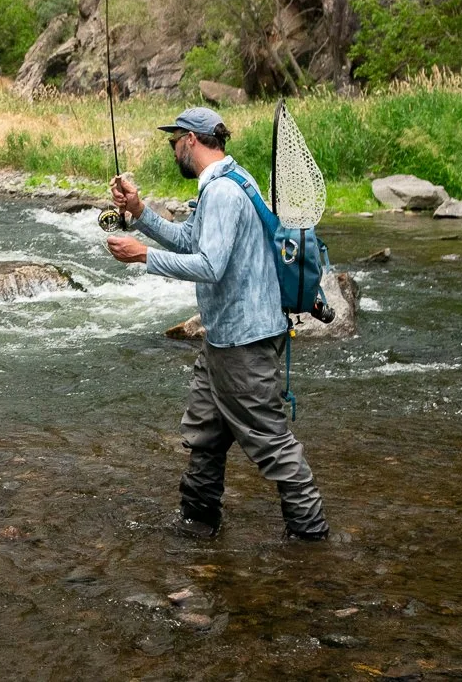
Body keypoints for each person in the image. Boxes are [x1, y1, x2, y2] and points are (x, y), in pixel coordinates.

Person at [104, 106, 329, 542]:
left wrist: (142, 256)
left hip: (244, 341)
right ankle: (197, 521)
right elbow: (192, 240)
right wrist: (140, 211)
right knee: (206, 431)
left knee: (273, 444)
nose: (172, 150)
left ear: (191, 139)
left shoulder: (224, 193)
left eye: (174, 142)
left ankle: (312, 539)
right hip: (224, 337)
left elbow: (209, 265)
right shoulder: (229, 181)